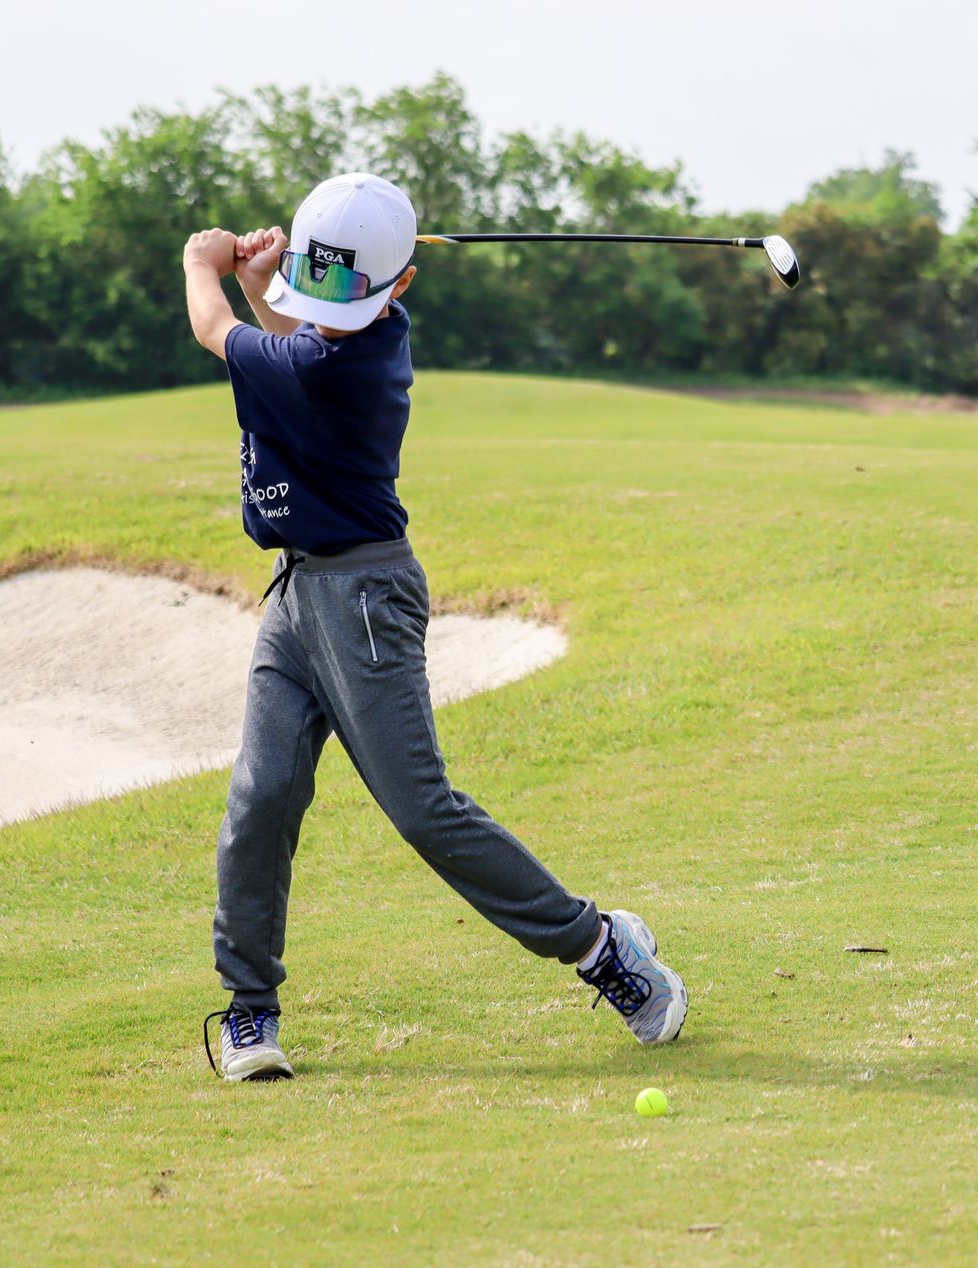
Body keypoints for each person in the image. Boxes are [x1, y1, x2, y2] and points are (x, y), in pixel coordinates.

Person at [179, 173, 687, 1081]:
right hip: (295, 596)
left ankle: (602, 948)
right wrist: (266, 280)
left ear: (396, 289)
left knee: (423, 810)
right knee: (259, 804)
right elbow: (290, 330)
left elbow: (222, 335)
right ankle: (250, 1010)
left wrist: (205, 266)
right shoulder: (358, 332)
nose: (320, 310)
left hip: (364, 601)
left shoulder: (342, 367)